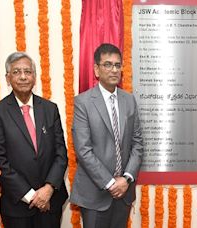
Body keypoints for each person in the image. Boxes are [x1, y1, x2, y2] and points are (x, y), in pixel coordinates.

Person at [70, 43, 144, 228]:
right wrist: (111, 183)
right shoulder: (83, 102)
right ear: (96, 69)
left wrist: (126, 179)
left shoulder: (129, 100)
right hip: (96, 193)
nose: (114, 70)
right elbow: (83, 150)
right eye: (108, 64)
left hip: (124, 192)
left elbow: (137, 143)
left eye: (117, 65)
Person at [0, 52, 68, 228]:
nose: (23, 76)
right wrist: (32, 196)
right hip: (17, 206)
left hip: (50, 203)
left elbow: (61, 153)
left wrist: (49, 188)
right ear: (7, 78)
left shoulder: (50, 109)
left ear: (34, 77)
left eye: (27, 72)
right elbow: (1, 161)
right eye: (16, 72)